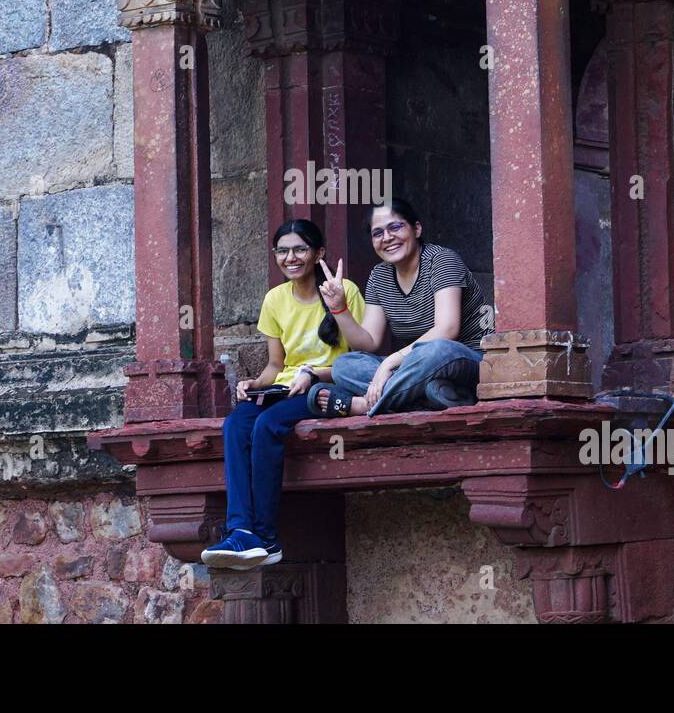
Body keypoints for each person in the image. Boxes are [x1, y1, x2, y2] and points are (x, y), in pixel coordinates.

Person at [201, 219, 364, 570]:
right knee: (236, 425)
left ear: (318, 253)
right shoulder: (275, 299)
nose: (291, 257)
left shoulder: (342, 290)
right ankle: (241, 530)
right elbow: (276, 364)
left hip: (326, 387)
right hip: (285, 387)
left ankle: (266, 536)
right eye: (283, 250)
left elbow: (359, 362)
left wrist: (312, 373)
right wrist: (254, 384)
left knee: (268, 426)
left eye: (300, 249)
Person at [313, 197, 487, 417]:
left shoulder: (442, 260)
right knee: (344, 365)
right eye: (378, 233)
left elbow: (447, 330)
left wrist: (389, 364)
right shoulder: (379, 276)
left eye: (395, 227)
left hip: (467, 360)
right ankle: (429, 399)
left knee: (436, 350)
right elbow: (368, 342)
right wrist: (339, 308)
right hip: (418, 370)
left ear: (417, 229)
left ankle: (366, 405)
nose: (387, 238)